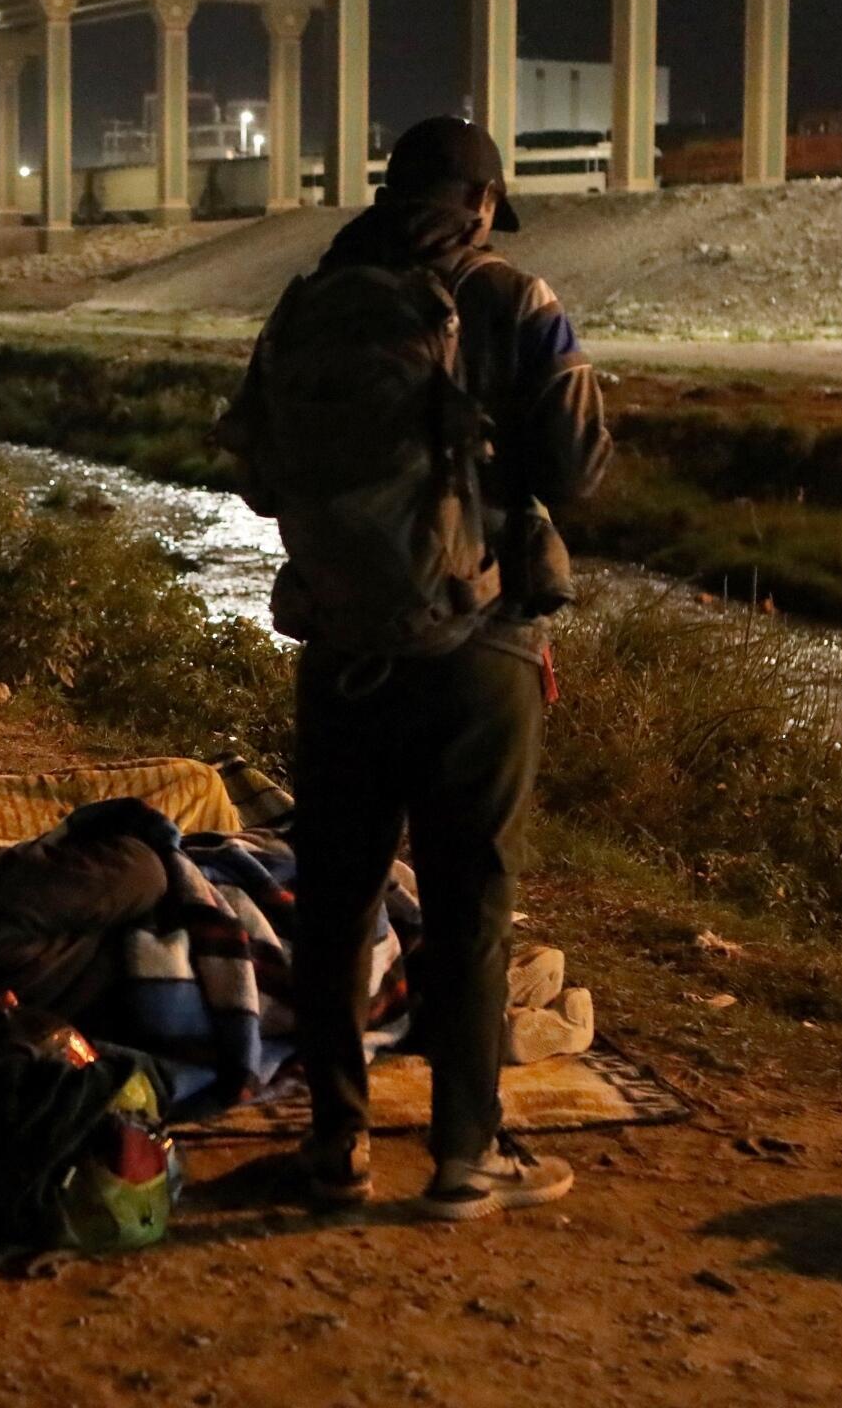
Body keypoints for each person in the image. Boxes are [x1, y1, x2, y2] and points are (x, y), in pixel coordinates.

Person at [214, 116, 609, 1220]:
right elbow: (579, 473)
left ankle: (333, 1150)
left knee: (337, 902)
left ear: (391, 192)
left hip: (343, 650)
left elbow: (255, 471)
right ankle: (464, 1158)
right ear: (481, 204)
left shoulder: (308, 303)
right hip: (481, 652)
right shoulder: (517, 301)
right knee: (470, 903)